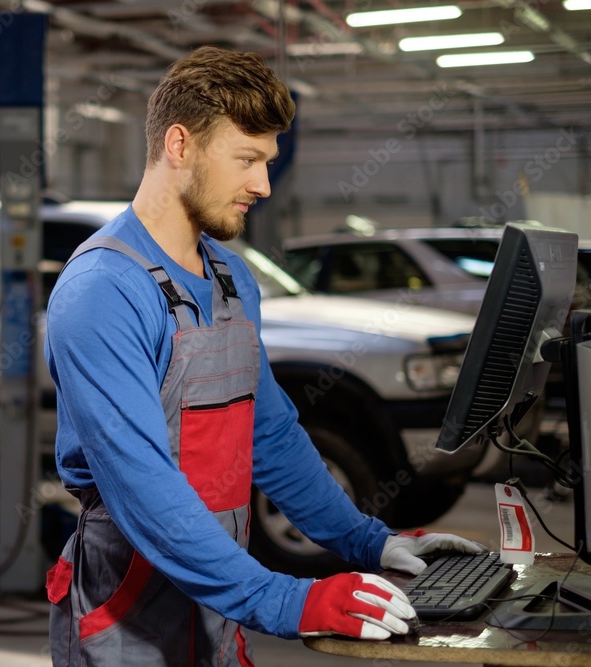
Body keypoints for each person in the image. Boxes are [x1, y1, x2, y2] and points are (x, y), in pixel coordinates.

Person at [43, 46, 482, 666]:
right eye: (247, 159)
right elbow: (142, 488)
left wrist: (368, 543)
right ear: (179, 145)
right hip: (128, 614)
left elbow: (269, 433)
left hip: (217, 604)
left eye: (267, 162)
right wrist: (285, 600)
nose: (263, 185)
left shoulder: (231, 279)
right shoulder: (104, 292)